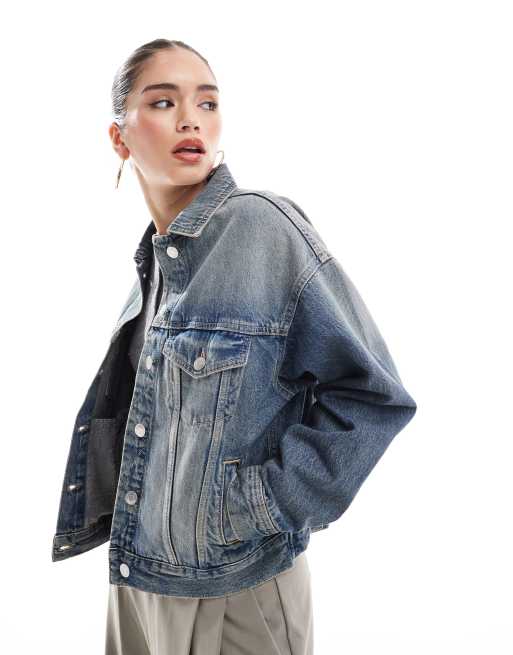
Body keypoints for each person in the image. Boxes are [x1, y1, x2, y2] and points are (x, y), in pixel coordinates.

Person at [51, 38, 417, 655]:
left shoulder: (262, 227)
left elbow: (372, 395)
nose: (190, 119)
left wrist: (256, 508)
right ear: (119, 138)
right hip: (138, 577)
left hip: (237, 586)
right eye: (163, 102)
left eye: (208, 102)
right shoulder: (156, 263)